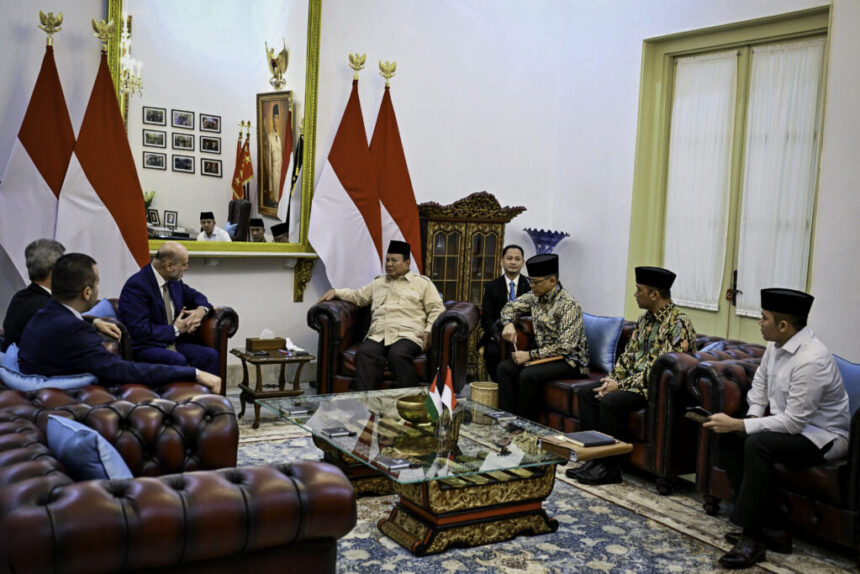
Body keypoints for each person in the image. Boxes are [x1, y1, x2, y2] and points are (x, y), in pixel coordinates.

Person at [703, 288, 849, 569]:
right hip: (792, 430)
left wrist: (742, 424)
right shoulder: (776, 346)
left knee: (756, 443)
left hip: (822, 437)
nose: (759, 322)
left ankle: (753, 538)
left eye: (763, 318)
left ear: (783, 325)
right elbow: (759, 388)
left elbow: (794, 422)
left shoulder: (812, 360)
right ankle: (774, 530)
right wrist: (745, 423)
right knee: (732, 437)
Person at [18, 253, 221, 392]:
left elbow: (65, 326)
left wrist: (93, 322)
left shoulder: (42, 314)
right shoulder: (75, 331)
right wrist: (194, 374)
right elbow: (121, 370)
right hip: (73, 404)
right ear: (87, 292)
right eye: (97, 282)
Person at [570, 266, 697, 486]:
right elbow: (628, 356)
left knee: (611, 402)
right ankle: (592, 459)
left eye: (639, 290)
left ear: (654, 294)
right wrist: (611, 380)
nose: (635, 294)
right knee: (586, 393)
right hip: (630, 384)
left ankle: (609, 468)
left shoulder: (678, 323)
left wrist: (620, 385)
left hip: (652, 389)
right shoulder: (645, 320)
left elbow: (659, 369)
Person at [318, 240, 445, 390]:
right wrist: (336, 292)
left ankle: (411, 401)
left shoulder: (423, 284)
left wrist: (428, 331)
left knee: (397, 355)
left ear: (407, 263)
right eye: (387, 260)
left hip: (408, 334)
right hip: (379, 334)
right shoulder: (378, 283)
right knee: (365, 353)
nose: (389, 264)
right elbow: (358, 296)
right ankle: (365, 405)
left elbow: (437, 308)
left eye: (394, 260)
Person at [497, 254, 589, 421]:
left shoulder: (569, 305)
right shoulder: (535, 297)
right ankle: (506, 421)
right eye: (530, 281)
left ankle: (526, 429)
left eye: (535, 282)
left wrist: (530, 355)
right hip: (544, 357)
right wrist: (508, 323)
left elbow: (566, 346)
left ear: (552, 281)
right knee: (505, 368)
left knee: (528, 375)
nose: (531, 286)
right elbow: (509, 307)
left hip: (569, 361)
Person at [117, 241, 220, 376]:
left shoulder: (173, 281)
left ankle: (208, 398)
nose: (187, 268)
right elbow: (139, 330)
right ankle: (179, 398)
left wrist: (201, 311)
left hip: (173, 342)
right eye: (184, 264)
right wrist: (175, 329)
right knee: (177, 360)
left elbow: (196, 296)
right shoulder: (137, 286)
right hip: (147, 346)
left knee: (210, 356)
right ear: (169, 266)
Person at [480, 244, 530, 380]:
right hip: (497, 335)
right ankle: (499, 387)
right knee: (492, 353)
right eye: (509, 258)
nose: (513, 262)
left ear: (523, 262)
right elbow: (486, 319)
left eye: (517, 259)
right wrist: (499, 334)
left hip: (525, 336)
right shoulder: (491, 287)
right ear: (502, 261)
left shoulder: (531, 286)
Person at [263, 103, 282, 208]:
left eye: (278, 118)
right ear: (272, 120)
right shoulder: (269, 138)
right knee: (275, 201)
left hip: (280, 175)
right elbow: (269, 163)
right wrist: (270, 187)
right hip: (273, 174)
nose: (276, 121)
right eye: (274, 118)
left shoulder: (279, 139)